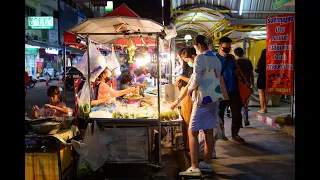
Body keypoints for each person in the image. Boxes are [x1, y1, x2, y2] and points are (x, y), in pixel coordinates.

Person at [172, 35, 222, 176]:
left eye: (195, 47)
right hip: (214, 97)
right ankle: (206, 163)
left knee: (192, 131)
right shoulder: (216, 58)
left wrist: (189, 89)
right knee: (208, 130)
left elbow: (196, 78)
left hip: (202, 98)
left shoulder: (200, 57)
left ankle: (194, 167)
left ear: (198, 46)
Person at [215, 36, 245, 143]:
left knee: (237, 113)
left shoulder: (232, 58)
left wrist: (243, 83)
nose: (227, 49)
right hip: (221, 90)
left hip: (234, 89)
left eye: (229, 47)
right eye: (225, 47)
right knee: (220, 113)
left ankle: (235, 134)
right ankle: (221, 133)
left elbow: (237, 72)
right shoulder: (215, 58)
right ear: (220, 46)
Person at [173, 48, 194, 151]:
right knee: (185, 122)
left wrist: (180, 77)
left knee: (188, 122)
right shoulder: (187, 66)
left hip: (188, 96)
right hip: (184, 94)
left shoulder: (193, 66)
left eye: (182, 57)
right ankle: (186, 145)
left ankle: (190, 147)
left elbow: (191, 81)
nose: (183, 60)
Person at [234, 47, 254, 126]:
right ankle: (246, 120)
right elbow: (251, 74)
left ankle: (239, 122)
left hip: (238, 85)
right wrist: (252, 84)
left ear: (235, 54)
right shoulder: (248, 61)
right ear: (243, 53)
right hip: (246, 85)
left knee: (238, 104)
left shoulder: (235, 62)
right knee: (245, 103)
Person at [255, 49, 268, 113]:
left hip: (261, 78)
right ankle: (265, 108)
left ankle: (262, 109)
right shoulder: (270, 60)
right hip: (268, 78)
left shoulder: (261, 61)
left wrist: (256, 70)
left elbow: (258, 70)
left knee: (261, 94)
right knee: (266, 94)